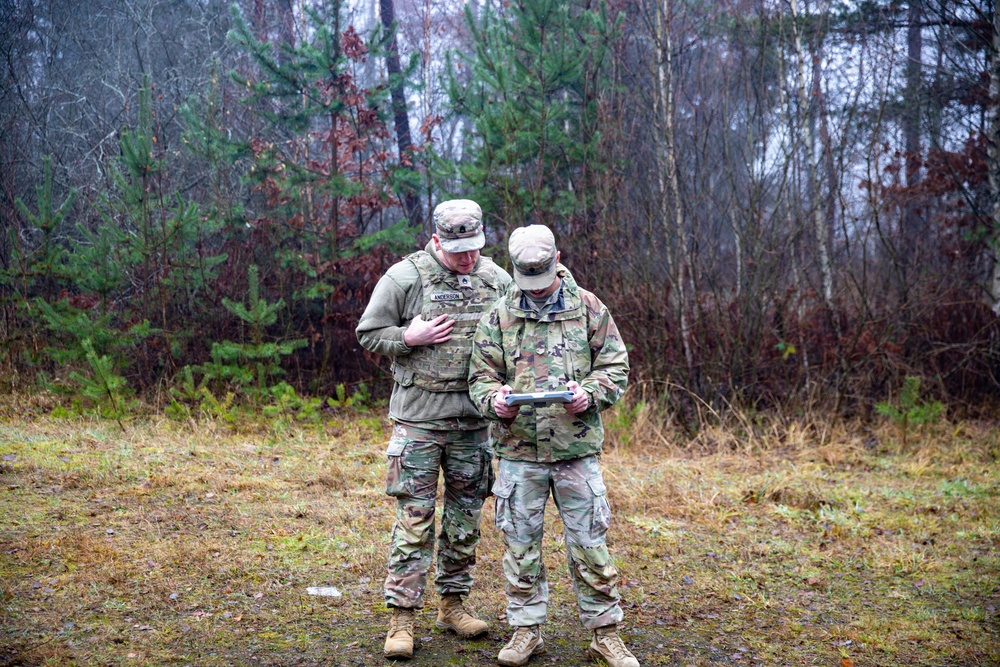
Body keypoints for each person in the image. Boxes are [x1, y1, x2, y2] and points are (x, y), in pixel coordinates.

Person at [468, 224, 638, 667]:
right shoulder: (498, 315)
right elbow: (480, 377)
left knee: (590, 544)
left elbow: (615, 366)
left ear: (557, 259)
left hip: (574, 451)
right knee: (520, 546)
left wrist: (590, 394)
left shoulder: (589, 308)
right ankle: (526, 631)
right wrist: (495, 401)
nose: (538, 290)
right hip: (518, 452)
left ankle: (605, 634)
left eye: (543, 279)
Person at [356, 199, 512, 659]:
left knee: (465, 519)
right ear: (437, 240)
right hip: (419, 421)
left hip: (473, 424)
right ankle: (402, 619)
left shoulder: (496, 280)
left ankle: (452, 605)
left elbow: (514, 339)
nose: (468, 258)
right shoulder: (405, 277)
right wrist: (408, 337)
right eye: (458, 250)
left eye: (474, 248)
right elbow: (368, 332)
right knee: (415, 520)